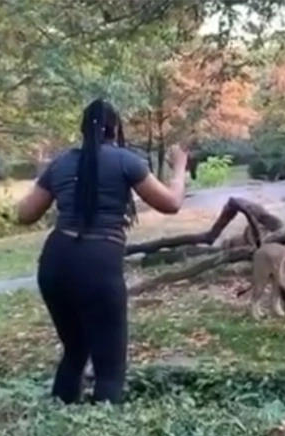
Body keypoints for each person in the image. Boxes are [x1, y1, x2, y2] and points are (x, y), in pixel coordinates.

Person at [13, 97, 189, 405]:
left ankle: (61, 422)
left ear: (82, 130)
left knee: (75, 350)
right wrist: (179, 170)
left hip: (55, 263)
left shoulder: (61, 163)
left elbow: (24, 214)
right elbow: (171, 203)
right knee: (110, 368)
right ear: (115, 128)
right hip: (98, 265)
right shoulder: (126, 161)